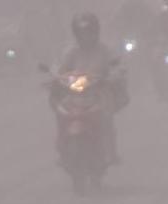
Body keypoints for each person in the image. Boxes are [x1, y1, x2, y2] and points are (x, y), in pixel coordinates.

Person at [53, 12, 127, 163]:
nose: (85, 37)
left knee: (106, 119)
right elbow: (60, 69)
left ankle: (110, 152)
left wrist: (113, 76)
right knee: (61, 114)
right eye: (82, 33)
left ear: (96, 32)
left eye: (88, 32)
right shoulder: (71, 52)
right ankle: (62, 149)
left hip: (98, 92)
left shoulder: (105, 50)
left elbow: (116, 66)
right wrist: (55, 78)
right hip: (75, 93)